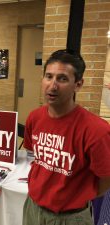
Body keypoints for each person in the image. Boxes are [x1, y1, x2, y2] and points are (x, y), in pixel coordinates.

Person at [23, 49, 110, 225]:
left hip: (71, 217)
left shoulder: (96, 130)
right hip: (33, 207)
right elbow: (35, 157)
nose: (52, 85)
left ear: (78, 84)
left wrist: (76, 198)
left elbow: (105, 179)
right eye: (49, 76)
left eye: (62, 79)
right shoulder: (34, 117)